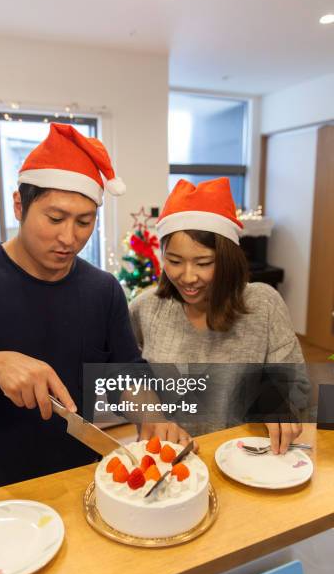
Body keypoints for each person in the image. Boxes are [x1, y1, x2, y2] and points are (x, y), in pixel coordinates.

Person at [0, 123, 189, 498]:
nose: (70, 238)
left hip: (83, 488)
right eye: (54, 219)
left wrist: (151, 414)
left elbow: (124, 372)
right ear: (19, 205)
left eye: (85, 222)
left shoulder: (102, 290)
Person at [129, 177, 310, 453]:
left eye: (203, 263)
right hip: (169, 460)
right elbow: (123, 377)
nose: (188, 277)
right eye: (174, 261)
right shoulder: (146, 308)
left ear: (227, 259)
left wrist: (280, 400)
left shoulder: (263, 305)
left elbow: (295, 384)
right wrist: (149, 416)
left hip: (247, 457)